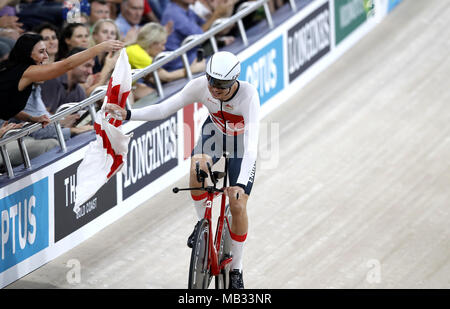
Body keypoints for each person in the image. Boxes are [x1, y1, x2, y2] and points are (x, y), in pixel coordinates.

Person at [105, 51, 259, 289]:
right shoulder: (200, 86)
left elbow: (251, 146)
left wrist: (238, 185)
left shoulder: (248, 94)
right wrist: (129, 114)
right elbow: (164, 109)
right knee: (197, 168)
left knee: (237, 203)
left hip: (241, 145)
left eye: (221, 85)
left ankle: (237, 269)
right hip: (215, 136)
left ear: (234, 81)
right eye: (211, 81)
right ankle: (202, 226)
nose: (214, 89)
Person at [0, 32, 123, 125]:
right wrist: (99, 48)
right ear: (28, 54)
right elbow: (66, 65)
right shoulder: (26, 72)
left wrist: (31, 118)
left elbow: (6, 103)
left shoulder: (17, 72)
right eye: (41, 52)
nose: (46, 56)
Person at [125, 22, 205, 99]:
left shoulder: (136, 49)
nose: (164, 49)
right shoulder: (137, 53)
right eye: (162, 44)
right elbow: (166, 76)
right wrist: (193, 69)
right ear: (153, 43)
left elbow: (153, 78)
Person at [160, 0, 232, 71]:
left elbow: (209, 27)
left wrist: (225, 10)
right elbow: (199, 35)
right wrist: (217, 14)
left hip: (193, 55)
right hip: (180, 64)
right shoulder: (173, 13)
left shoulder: (187, 9)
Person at [40, 47, 95, 114]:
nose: (90, 72)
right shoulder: (52, 80)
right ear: (72, 63)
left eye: (92, 67)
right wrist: (62, 121)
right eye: (87, 66)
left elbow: (85, 118)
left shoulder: (79, 91)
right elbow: (41, 116)